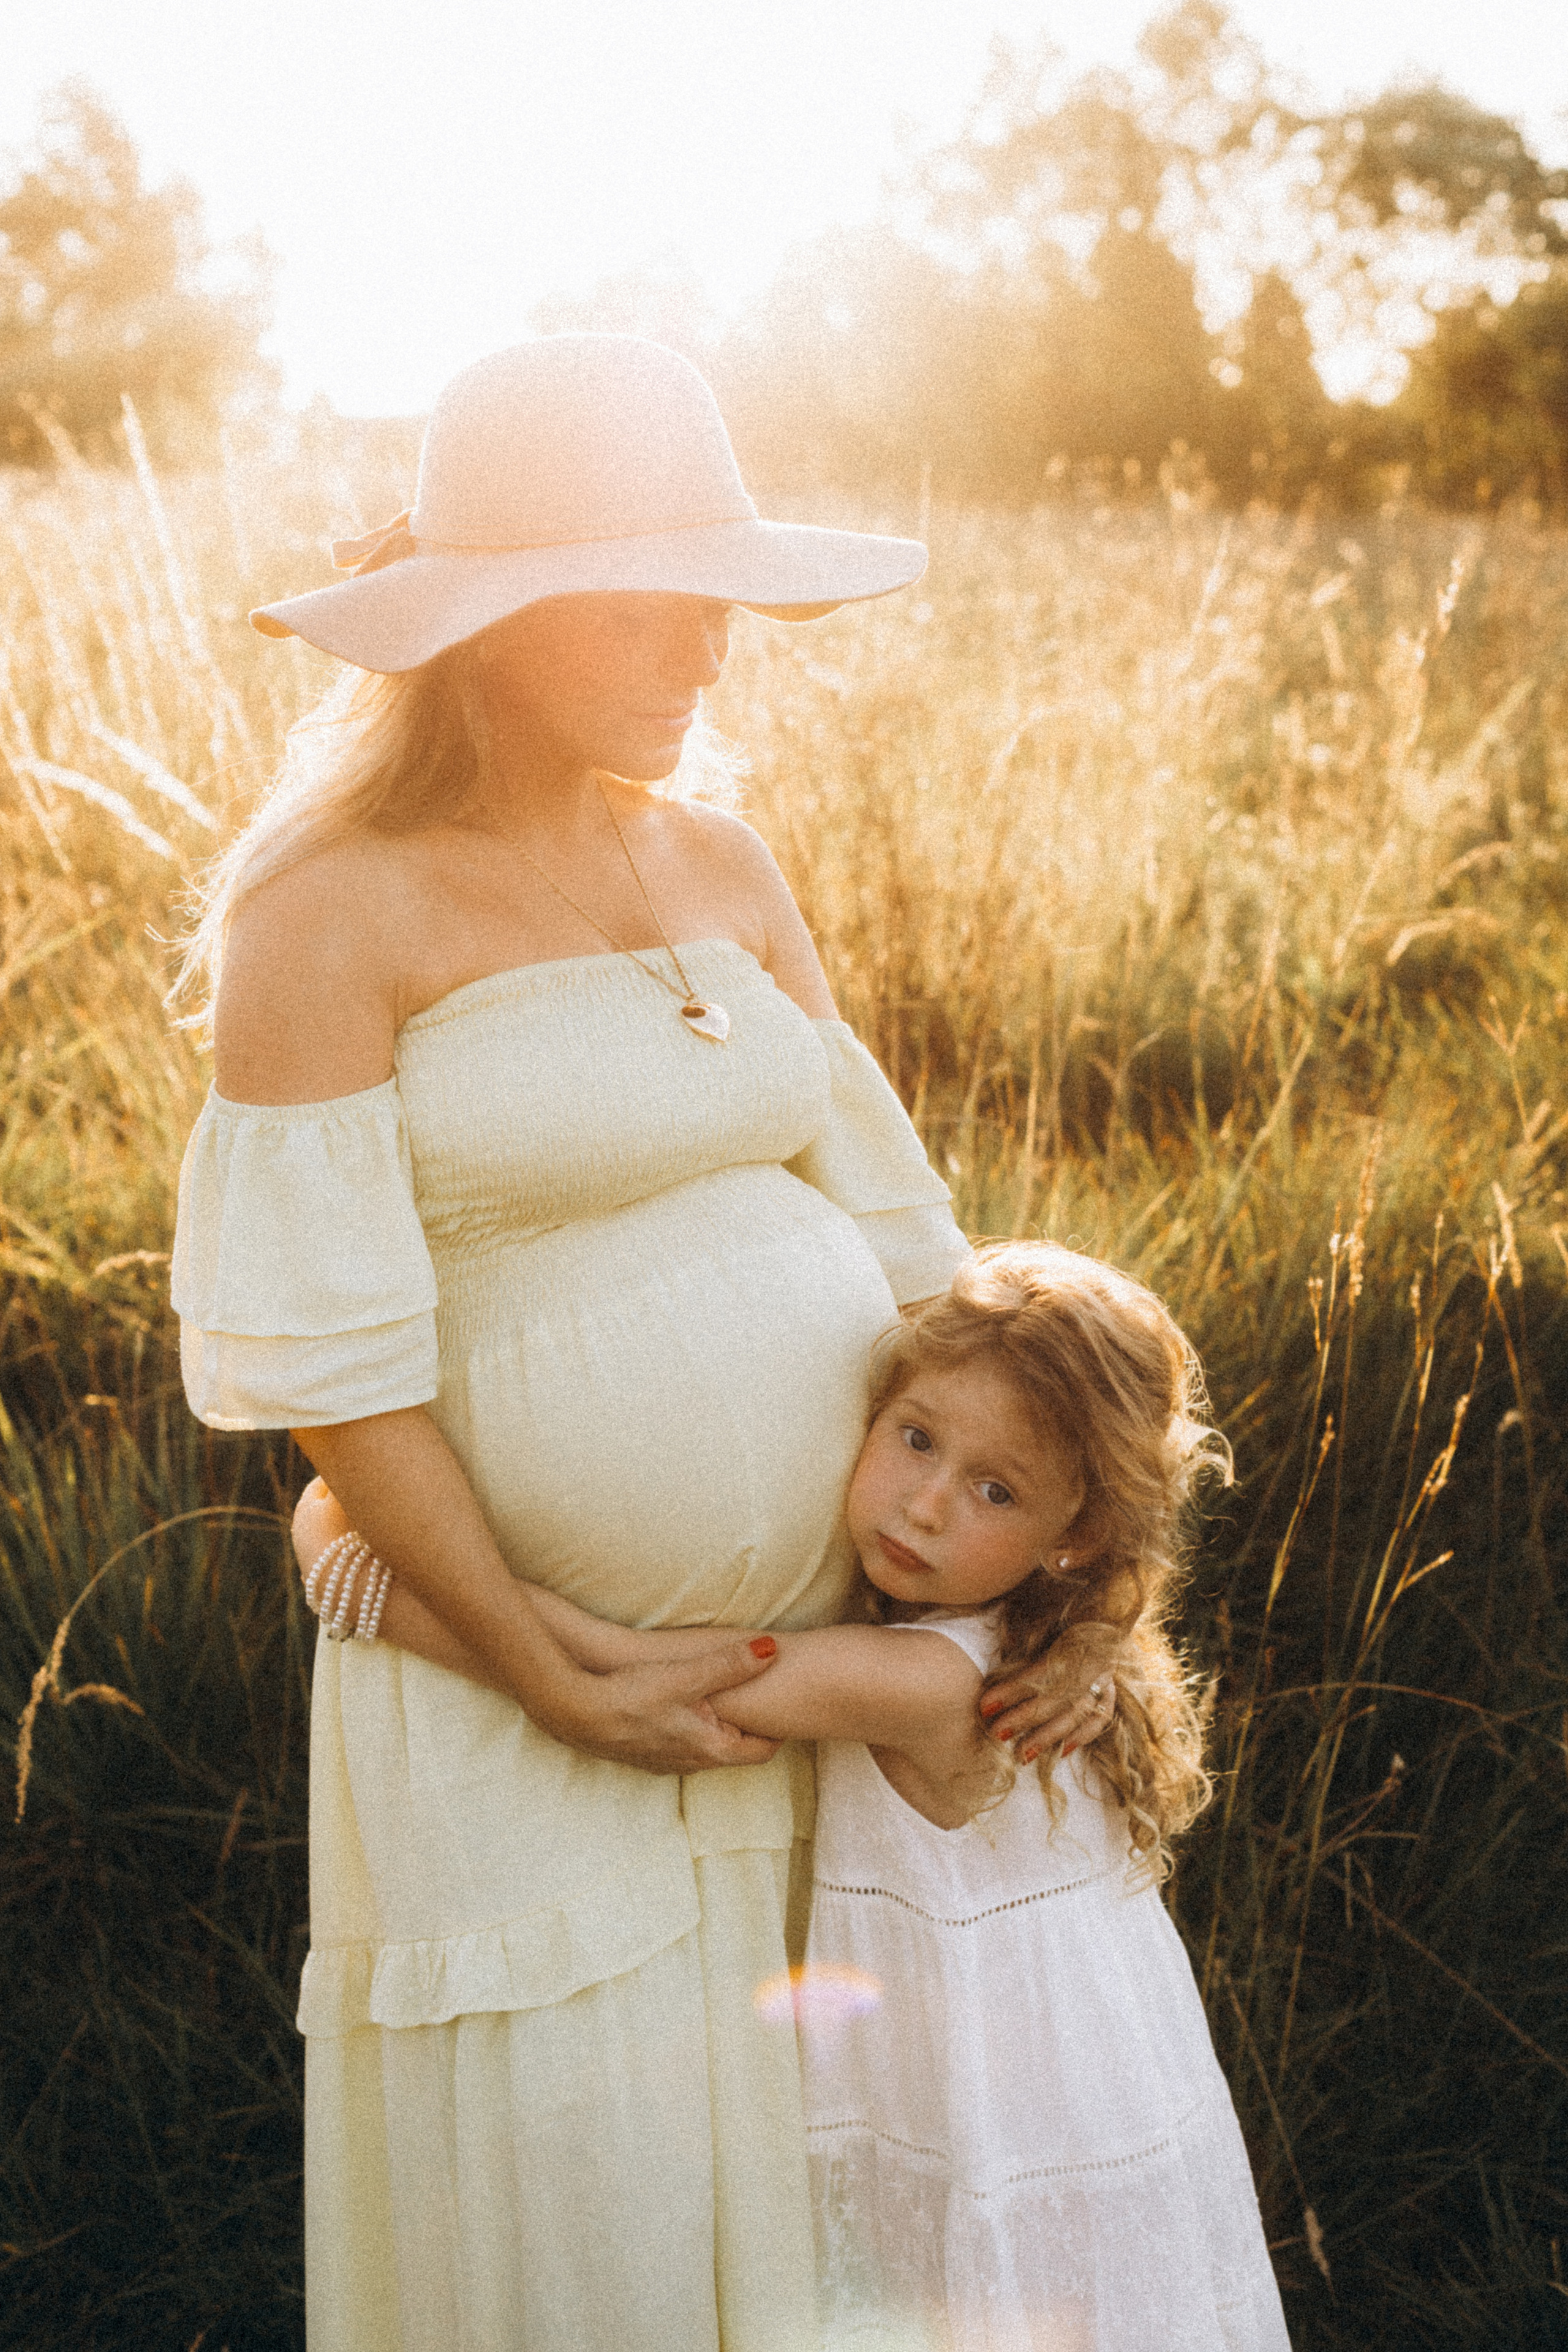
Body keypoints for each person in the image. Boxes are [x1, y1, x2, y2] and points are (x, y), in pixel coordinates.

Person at [169, 334, 1119, 2352]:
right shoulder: (328, 914)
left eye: (724, 597)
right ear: (491, 626)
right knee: (581, 2219)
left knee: (814, 2222)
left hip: (812, 1699)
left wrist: (1080, 1582)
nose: (710, 648)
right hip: (531, 1716)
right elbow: (336, 1372)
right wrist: (534, 1657)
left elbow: (913, 1249)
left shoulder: (720, 868)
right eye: (652, 601)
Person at [296, 1242, 1291, 2350]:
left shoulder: (929, 1682)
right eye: (917, 1438)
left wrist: (366, 1583)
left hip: (1006, 2117)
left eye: (993, 1490)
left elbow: (637, 1666)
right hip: (1088, 2073)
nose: (924, 1505)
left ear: (1075, 1541)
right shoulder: (1054, 1645)